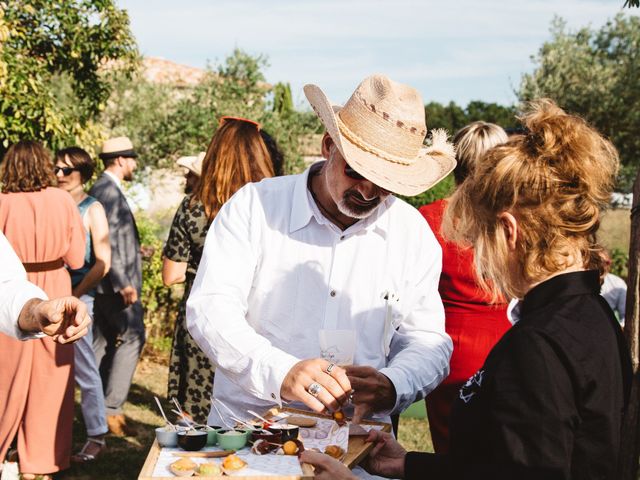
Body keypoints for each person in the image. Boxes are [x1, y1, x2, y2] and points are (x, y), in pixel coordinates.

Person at [300, 99, 632, 480]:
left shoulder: (537, 347)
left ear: (509, 233)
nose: (479, 258)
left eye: (478, 238)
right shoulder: (593, 315)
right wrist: (410, 464)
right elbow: (504, 467)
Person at [186, 75, 456, 433]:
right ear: (328, 146)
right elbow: (211, 308)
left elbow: (428, 341)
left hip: (357, 444)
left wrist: (394, 383)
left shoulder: (411, 234)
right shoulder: (255, 207)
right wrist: (280, 371)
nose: (368, 190)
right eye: (356, 171)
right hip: (250, 428)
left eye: (386, 182)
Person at [163, 117, 278, 423]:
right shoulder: (271, 209)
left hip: (203, 326)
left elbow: (170, 274)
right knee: (258, 419)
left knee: (197, 420)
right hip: (259, 321)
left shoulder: (193, 207)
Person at [419, 121, 510, 453]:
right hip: (510, 343)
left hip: (451, 350)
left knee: (453, 451)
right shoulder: (512, 219)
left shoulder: (429, 218)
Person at [0, 141, 86, 479]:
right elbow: (77, 259)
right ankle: (40, 463)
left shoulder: (1, 202)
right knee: (51, 383)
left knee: (5, 379)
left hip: (7, 291)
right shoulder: (63, 201)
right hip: (54, 290)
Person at [55, 147, 111, 462]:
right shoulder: (51, 202)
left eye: (67, 170)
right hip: (47, 295)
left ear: (83, 173)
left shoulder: (93, 208)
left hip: (79, 295)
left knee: (85, 368)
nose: (59, 175)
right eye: (57, 169)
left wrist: (75, 293)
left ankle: (96, 435)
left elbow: (103, 262)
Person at [89, 136, 144, 437]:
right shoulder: (107, 191)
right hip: (115, 285)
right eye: (132, 159)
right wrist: (123, 282)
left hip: (108, 283)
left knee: (104, 342)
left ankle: (95, 407)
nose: (135, 164)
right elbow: (103, 240)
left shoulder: (104, 189)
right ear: (121, 160)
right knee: (134, 336)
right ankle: (112, 410)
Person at [0, 231, 91, 343]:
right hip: (55, 283)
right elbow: (76, 259)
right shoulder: (69, 213)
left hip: (36, 298)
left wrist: (36, 310)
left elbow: (5, 286)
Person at [599, 250, 627, 326]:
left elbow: (625, 315)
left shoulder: (618, 284)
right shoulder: (581, 282)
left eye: (606, 263)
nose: (603, 266)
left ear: (610, 264)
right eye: (599, 262)